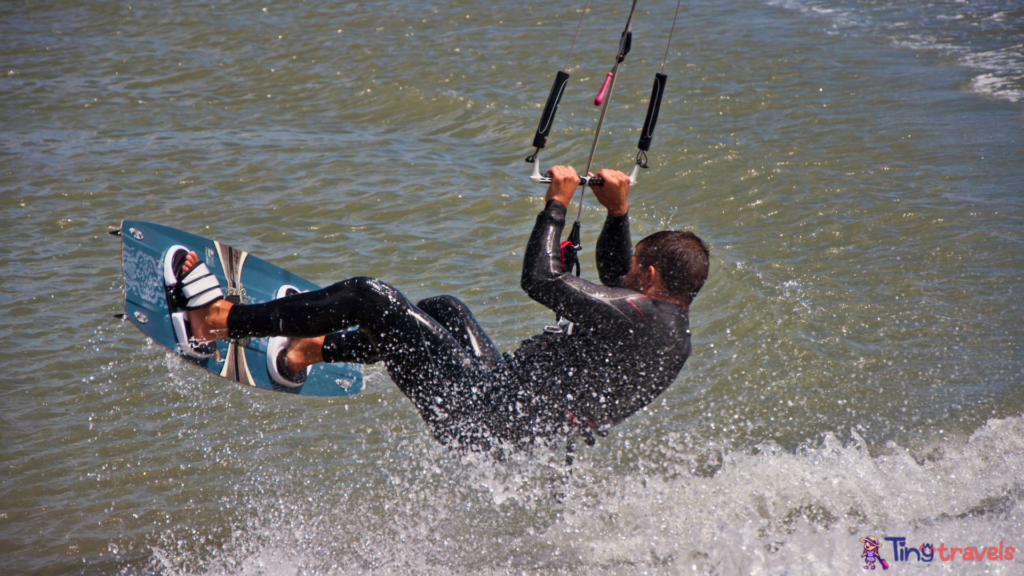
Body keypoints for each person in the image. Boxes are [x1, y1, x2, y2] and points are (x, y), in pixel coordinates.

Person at [171, 166, 709, 454]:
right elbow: (618, 282)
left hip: (482, 417)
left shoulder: (638, 316)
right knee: (442, 311)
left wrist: (558, 202)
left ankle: (217, 321)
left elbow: (541, 279)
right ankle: (306, 351)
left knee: (369, 295)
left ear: (654, 277)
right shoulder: (669, 330)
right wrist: (618, 214)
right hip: (509, 418)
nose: (627, 275)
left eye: (639, 266)